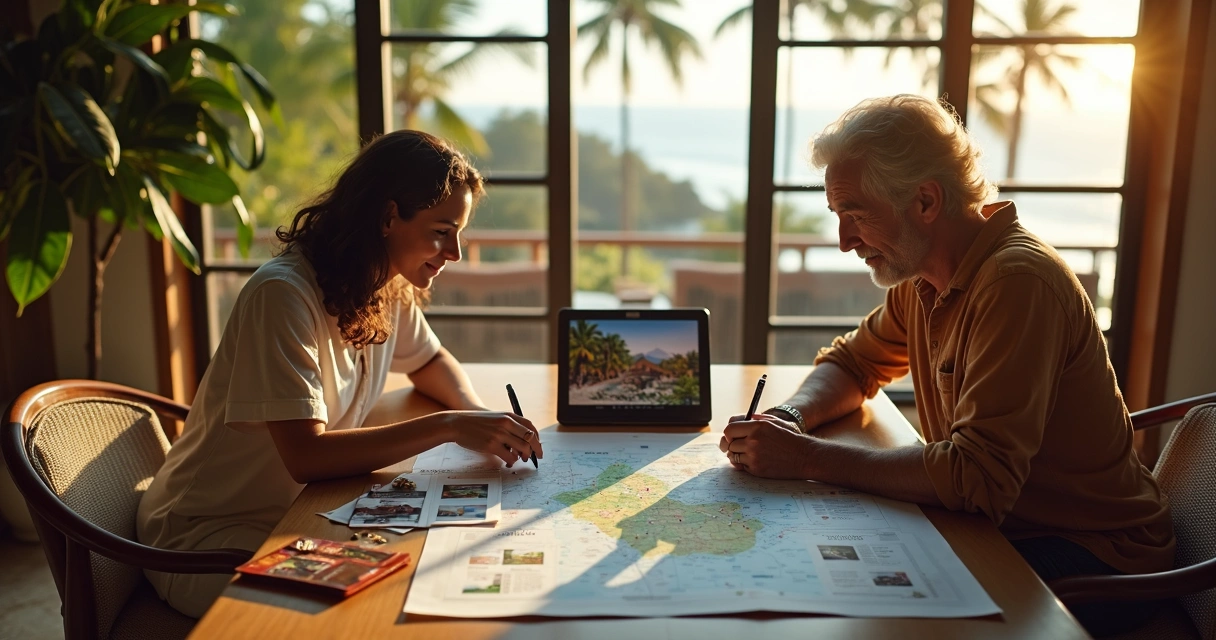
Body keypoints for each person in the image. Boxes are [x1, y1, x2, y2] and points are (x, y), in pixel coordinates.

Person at [719, 95, 1172, 636]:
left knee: (877, 616)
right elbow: (854, 362)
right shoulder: (924, 277)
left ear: (926, 201)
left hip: (1093, 555)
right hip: (999, 529)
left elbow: (976, 479)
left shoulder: (1014, 283)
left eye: (855, 215)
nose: (844, 242)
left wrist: (807, 458)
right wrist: (790, 419)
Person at [137, 130, 544, 618]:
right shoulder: (282, 296)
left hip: (303, 517)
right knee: (378, 613)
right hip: (210, 538)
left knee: (427, 578)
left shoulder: (386, 284)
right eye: (441, 231)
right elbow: (306, 456)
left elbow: (429, 360)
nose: (454, 252)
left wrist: (476, 414)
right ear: (388, 217)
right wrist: (450, 427)